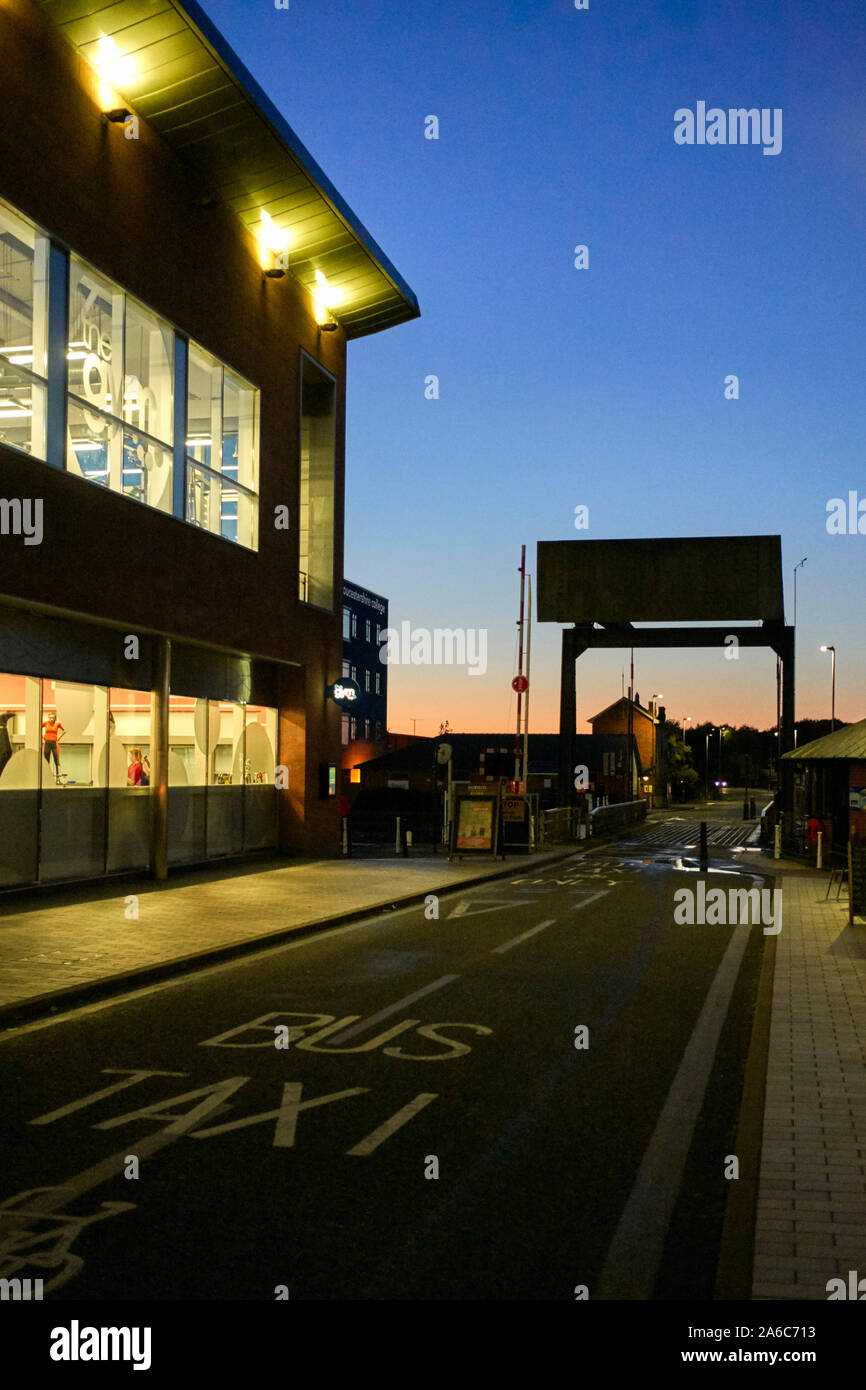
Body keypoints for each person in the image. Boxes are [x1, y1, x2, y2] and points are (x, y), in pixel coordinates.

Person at [42, 711, 65, 780]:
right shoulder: (46, 723)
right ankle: (46, 777)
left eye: (53, 718)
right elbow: (37, 728)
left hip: (54, 743)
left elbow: (65, 730)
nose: (51, 719)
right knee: (46, 761)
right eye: (50, 718)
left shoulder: (57, 724)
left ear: (55, 718)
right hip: (47, 743)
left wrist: (59, 737)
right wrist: (42, 736)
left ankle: (58, 778)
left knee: (56, 761)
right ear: (48, 718)